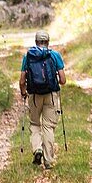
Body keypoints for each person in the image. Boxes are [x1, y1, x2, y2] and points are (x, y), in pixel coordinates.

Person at [19, 29, 66, 169]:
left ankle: (37, 149)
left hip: (34, 95)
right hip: (51, 95)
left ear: (36, 41)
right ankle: (48, 160)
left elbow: (22, 80)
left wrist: (23, 92)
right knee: (48, 126)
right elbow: (63, 80)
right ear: (48, 42)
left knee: (34, 124)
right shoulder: (55, 55)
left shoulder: (28, 56)